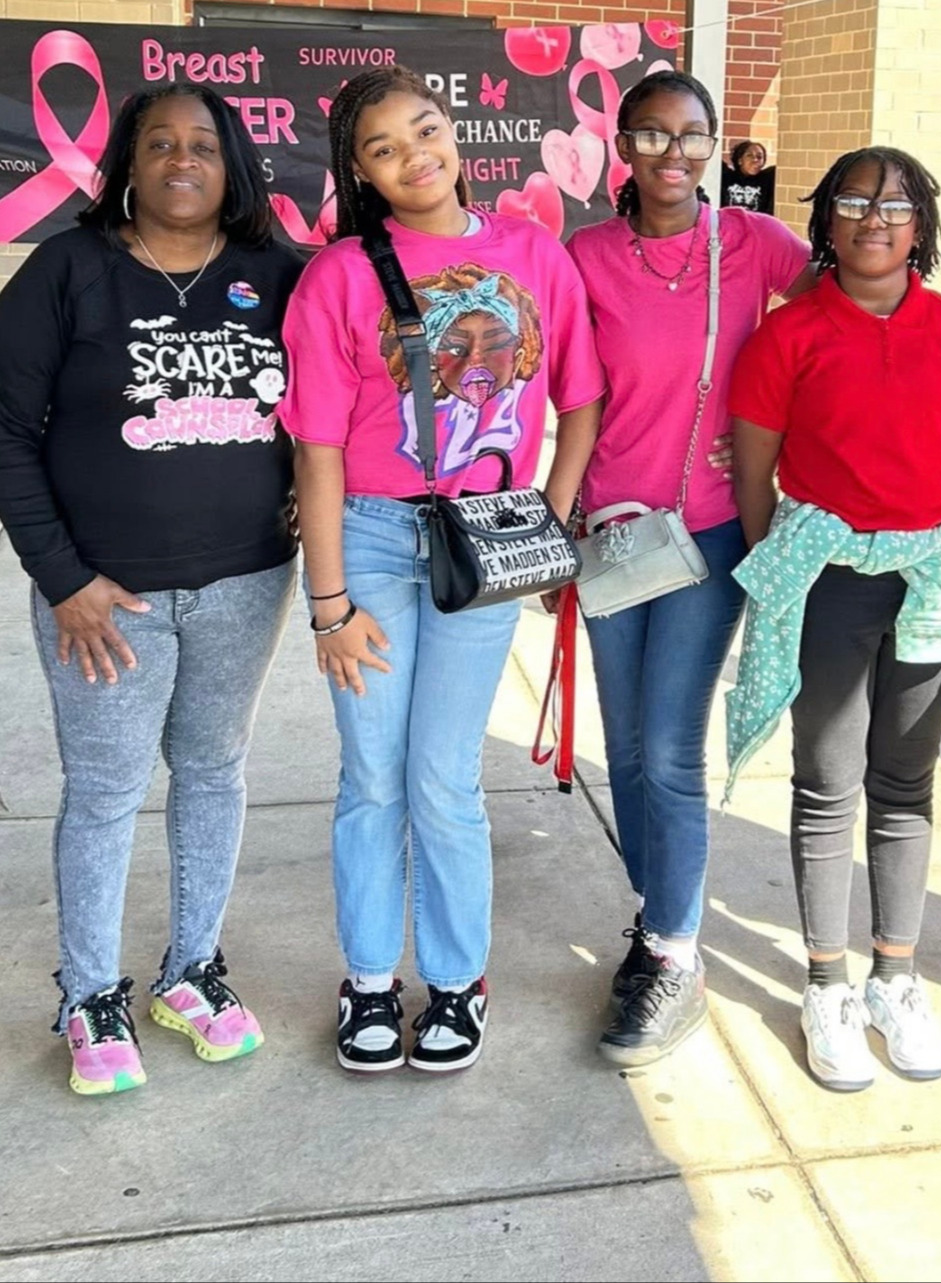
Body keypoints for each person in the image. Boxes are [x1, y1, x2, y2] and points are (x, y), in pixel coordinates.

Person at [279, 66, 603, 1075]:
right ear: (361, 171)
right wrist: (328, 605)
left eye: (425, 129)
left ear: (453, 132)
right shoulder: (338, 277)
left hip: (484, 537)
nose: (414, 156)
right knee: (372, 773)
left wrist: (540, 527)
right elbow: (318, 450)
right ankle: (370, 977)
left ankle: (456, 981)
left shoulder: (532, 256)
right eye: (383, 147)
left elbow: (579, 400)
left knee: (443, 777)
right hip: (372, 540)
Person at [0, 86, 302, 1095]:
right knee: (105, 793)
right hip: (104, 597)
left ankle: (191, 971)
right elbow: (5, 431)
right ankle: (91, 990)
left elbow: (336, 404)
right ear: (128, 160)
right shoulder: (67, 269)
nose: (182, 160)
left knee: (213, 771)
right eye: (160, 143)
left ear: (235, 166)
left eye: (204, 146)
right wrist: (63, 578)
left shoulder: (278, 274)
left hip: (245, 581)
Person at [728, 147, 941, 1091]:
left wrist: (920, 534)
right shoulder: (786, 336)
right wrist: (801, 568)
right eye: (851, 202)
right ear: (825, 224)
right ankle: (826, 984)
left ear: (920, 224)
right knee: (826, 779)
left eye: (894, 205)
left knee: (904, 778)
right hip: (827, 579)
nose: (873, 219)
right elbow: (755, 473)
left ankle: (896, 975)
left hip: (925, 578)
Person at [565, 71, 812, 1067]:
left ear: (715, 147)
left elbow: (839, 322)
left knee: (668, 746)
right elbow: (549, 384)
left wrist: (779, 444)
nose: (673, 154)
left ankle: (675, 951)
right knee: (622, 745)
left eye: (693, 136)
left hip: (706, 530)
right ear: (622, 143)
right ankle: (653, 914)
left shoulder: (755, 247)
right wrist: (548, 526)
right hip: (610, 533)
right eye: (654, 135)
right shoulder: (583, 254)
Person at [722, 140, 776, 216]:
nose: (755, 160)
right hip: (730, 224)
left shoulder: (767, 179)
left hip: (755, 225)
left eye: (759, 157)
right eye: (749, 155)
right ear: (740, 160)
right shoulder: (726, 176)